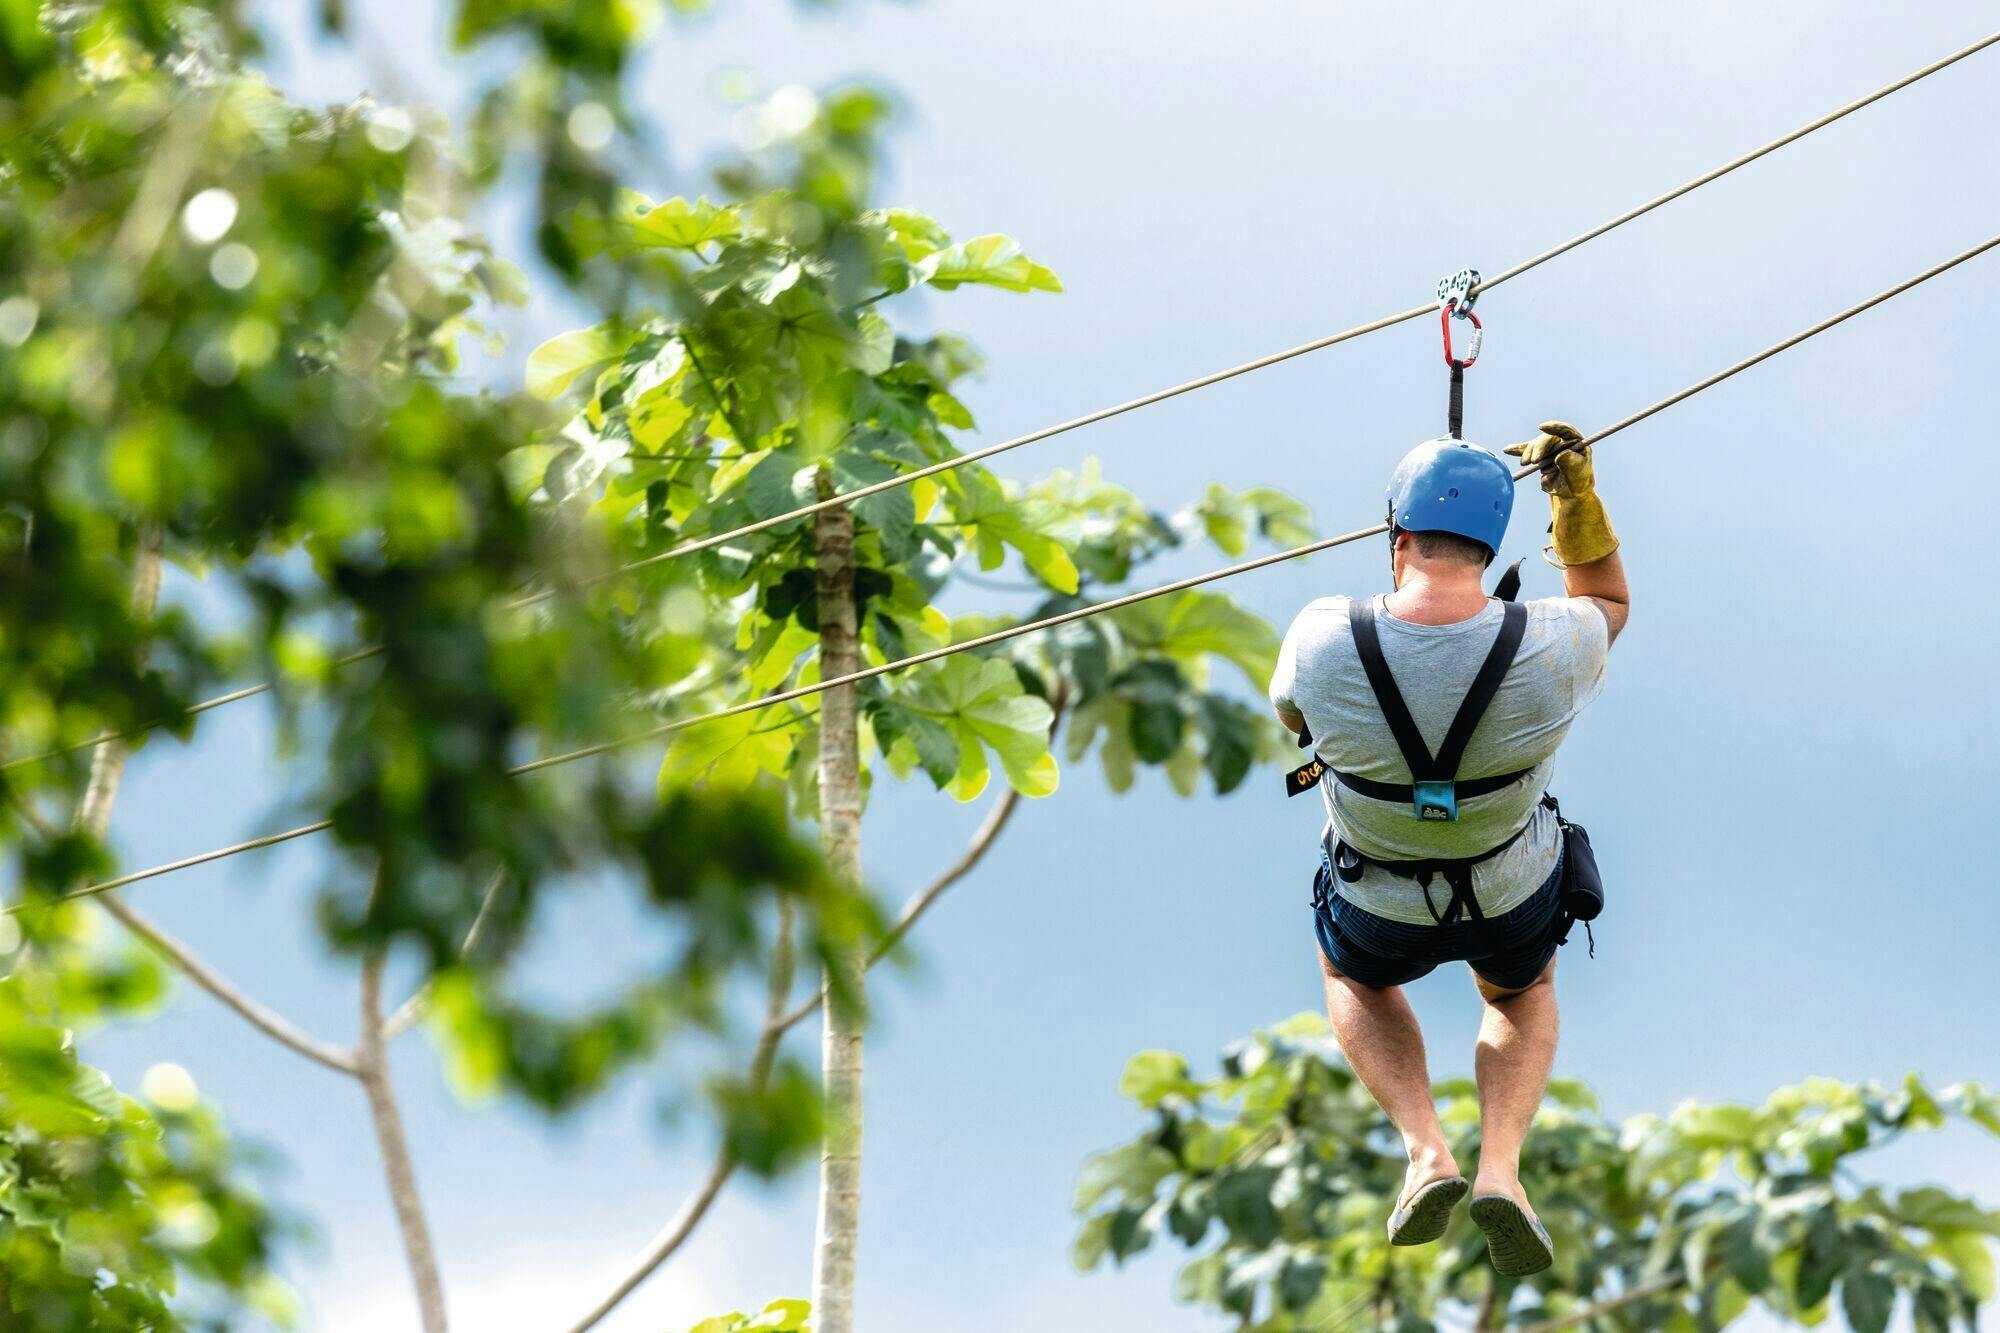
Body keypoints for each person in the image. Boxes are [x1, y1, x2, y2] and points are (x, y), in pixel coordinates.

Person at [1266, 421, 1628, 1276]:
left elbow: (1292, 719)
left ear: (1398, 539)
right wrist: (1573, 501)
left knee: (1351, 977)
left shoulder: (1321, 636)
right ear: (1489, 545)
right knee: (1521, 991)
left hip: (1376, 900)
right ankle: (1502, 1167)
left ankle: (1427, 1151)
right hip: (1510, 893)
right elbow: (1608, 604)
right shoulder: (1553, 641)